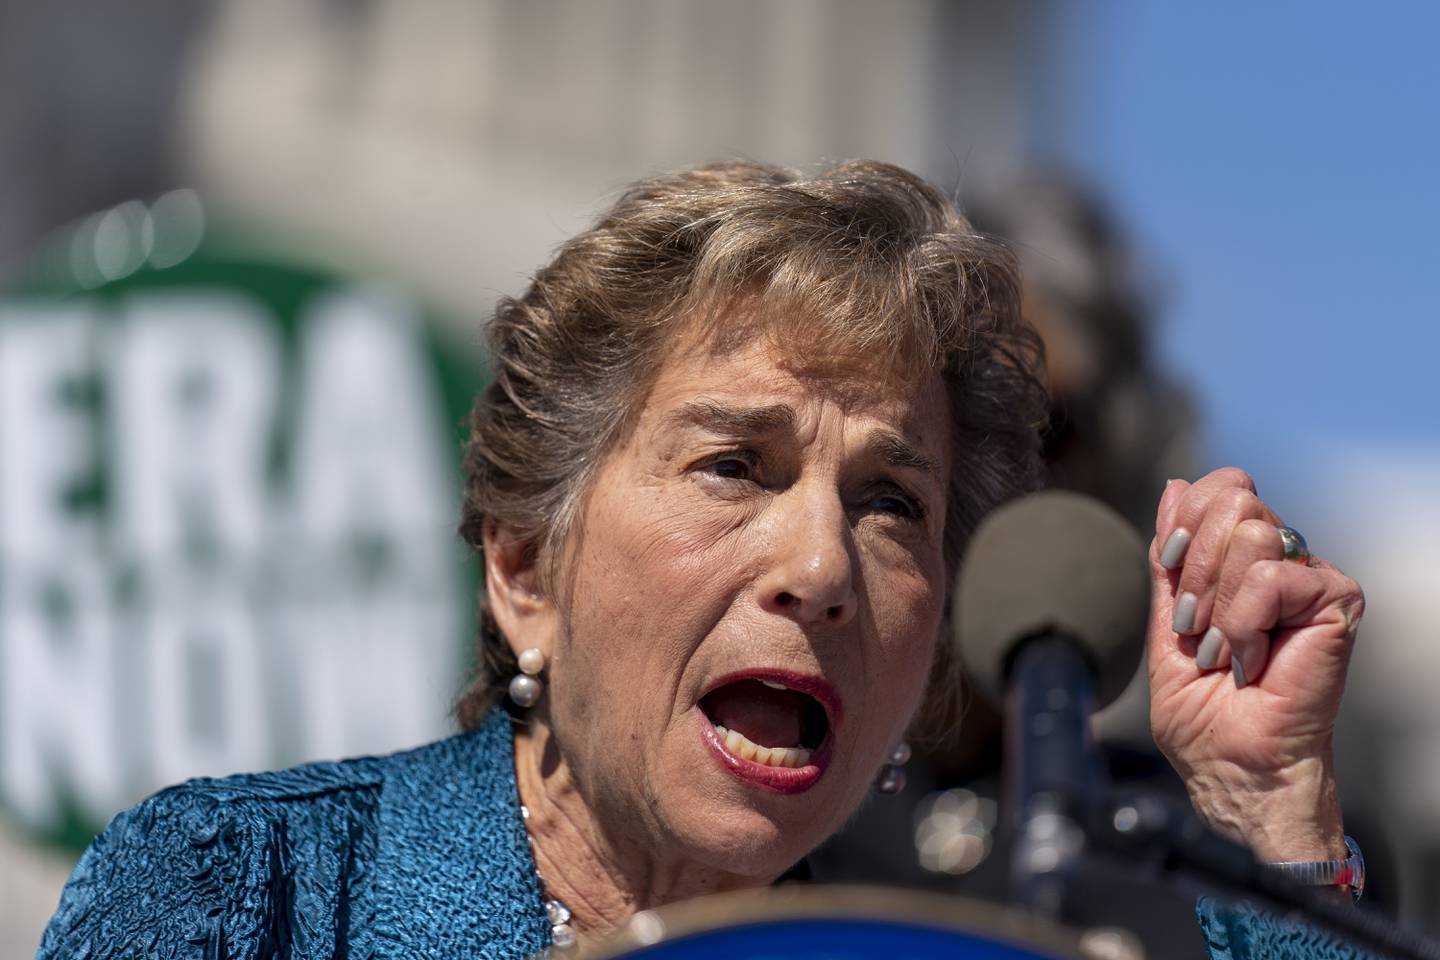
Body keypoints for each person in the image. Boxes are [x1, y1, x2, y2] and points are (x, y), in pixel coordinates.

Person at [38, 160, 1367, 958]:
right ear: (523, 567)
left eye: (895, 501)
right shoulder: (239, 891)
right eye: (736, 466)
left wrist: (1267, 813)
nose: (823, 565)